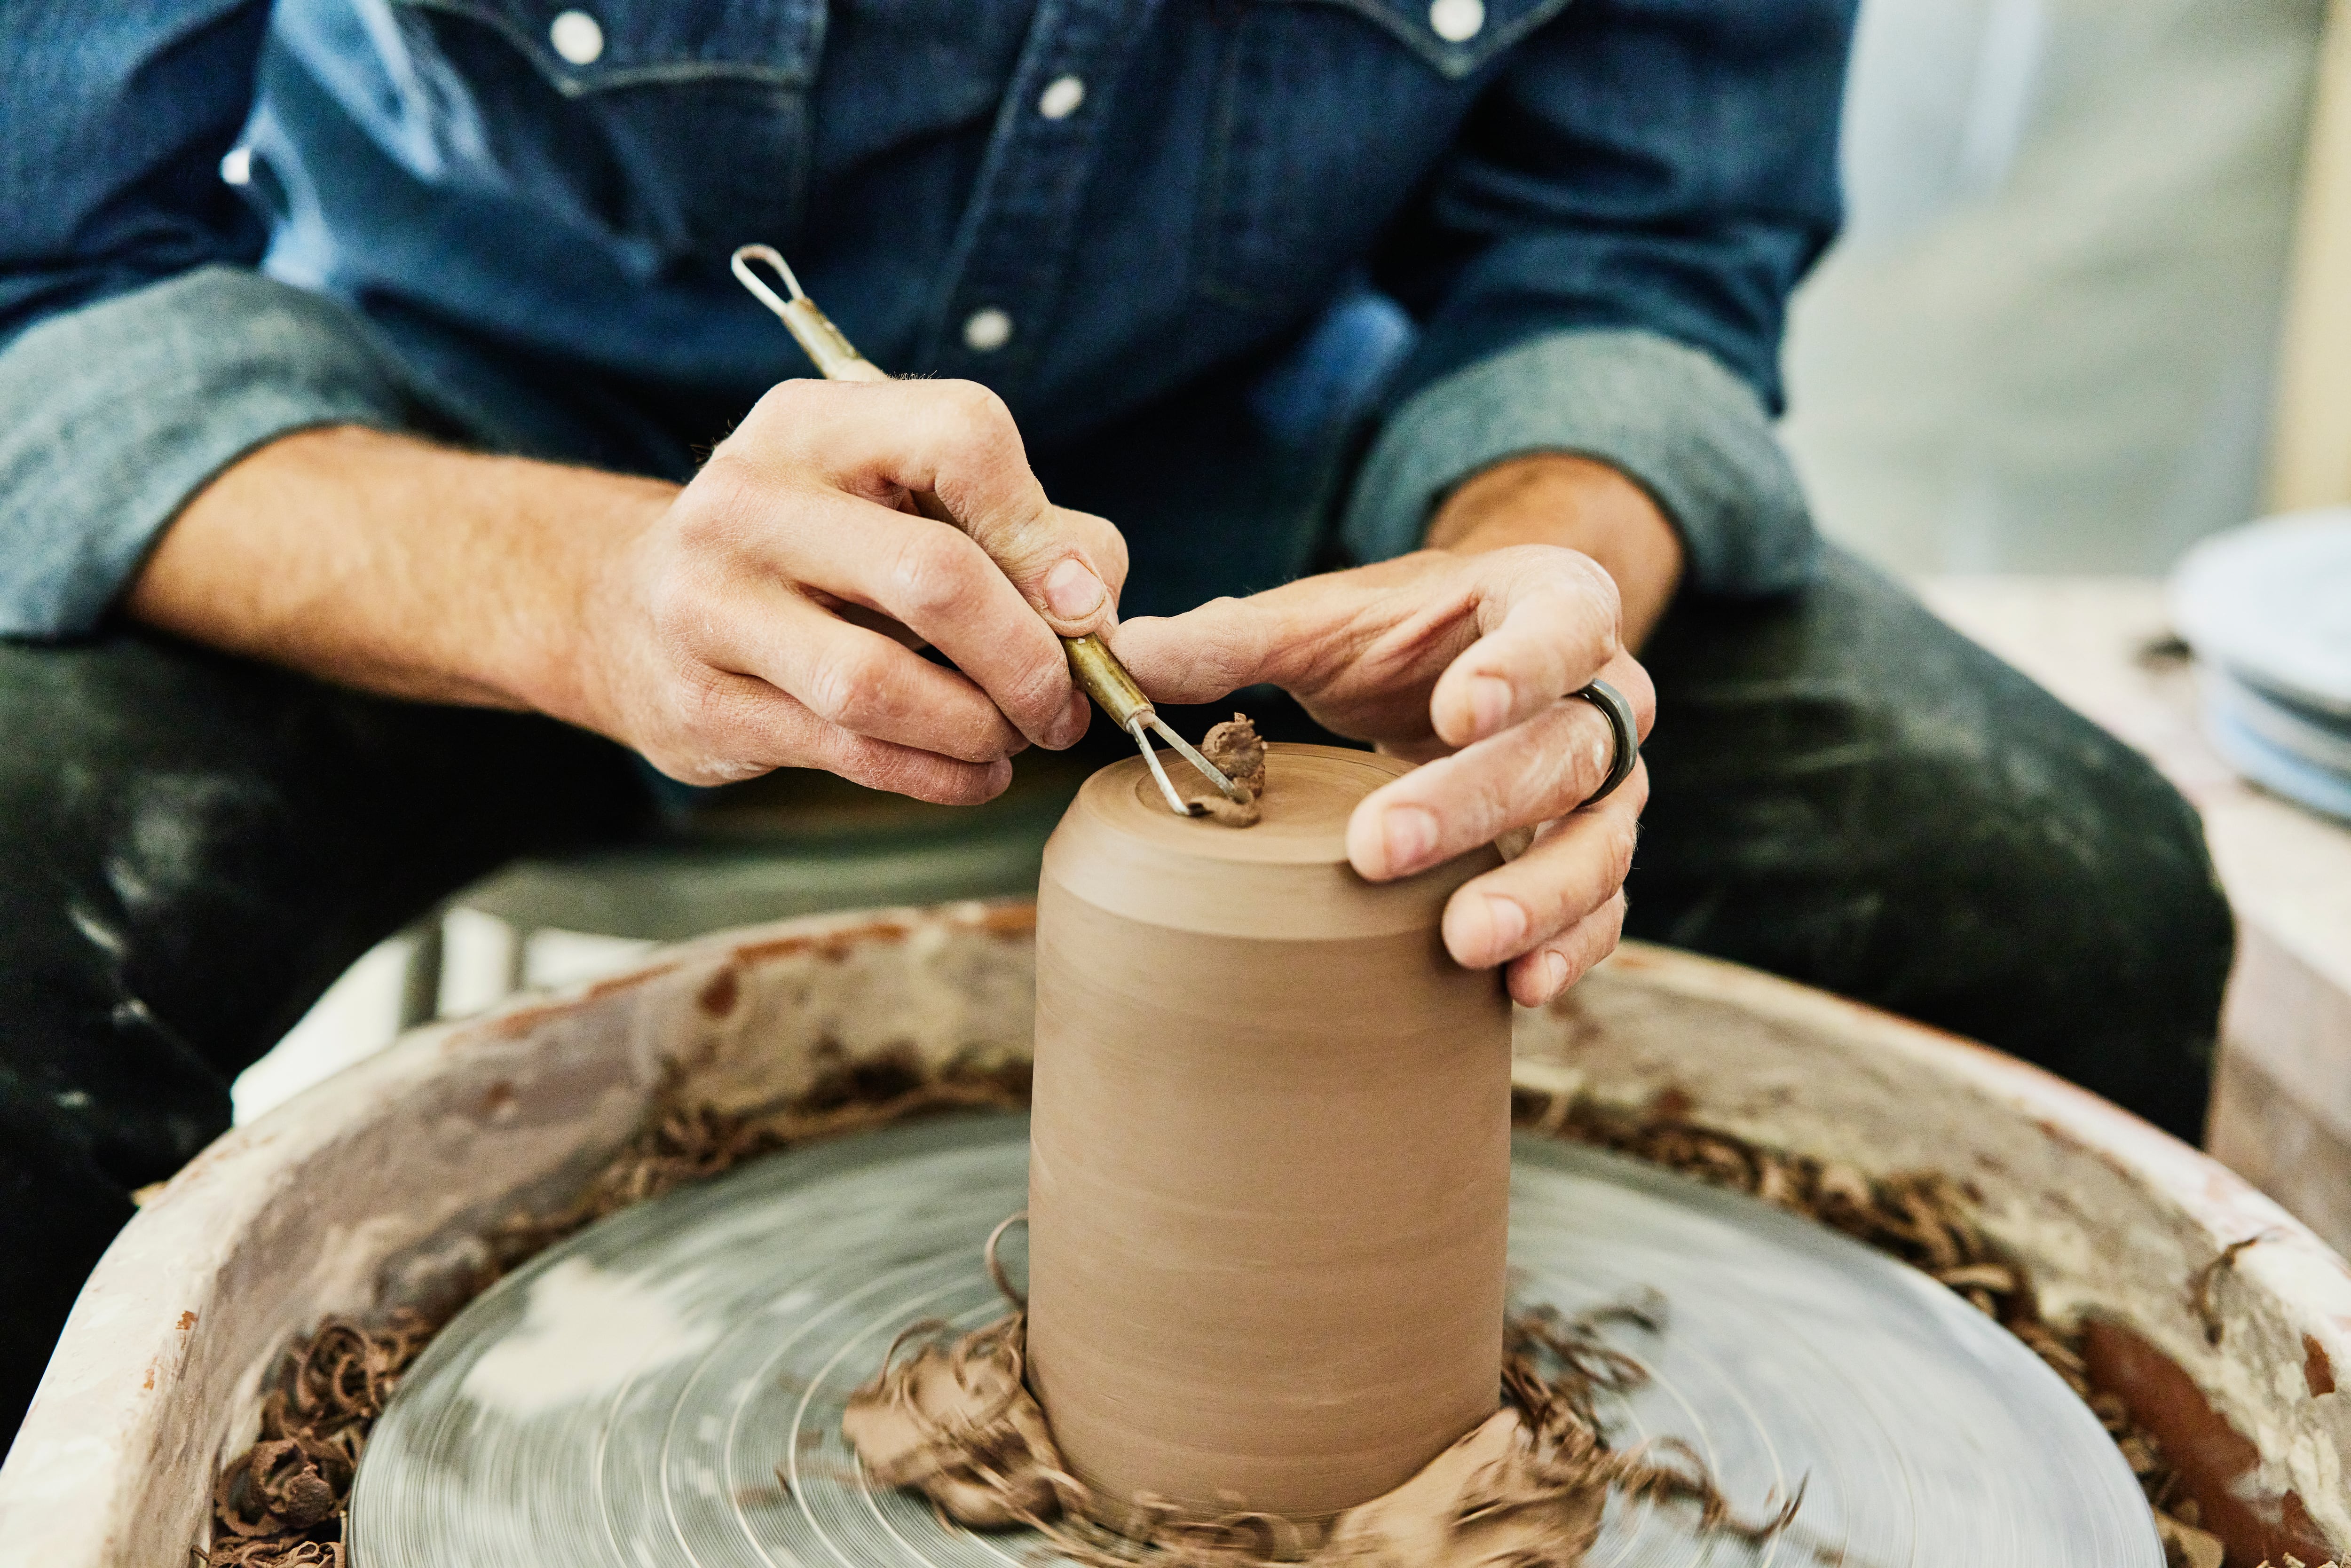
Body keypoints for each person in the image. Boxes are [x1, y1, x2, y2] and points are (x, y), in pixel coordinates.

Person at [0, 0, 2230, 1447]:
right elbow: (48, 288)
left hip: (1254, 468)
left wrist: (1541, 571)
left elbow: (1631, 256)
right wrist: (590, 592)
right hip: (452, 443)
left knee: (2048, 894)